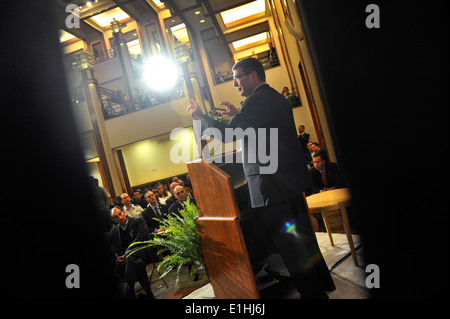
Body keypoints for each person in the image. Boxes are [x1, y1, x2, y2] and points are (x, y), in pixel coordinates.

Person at [187, 57, 334, 298]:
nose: (235, 84)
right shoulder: (276, 97)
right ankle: (324, 285)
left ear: (253, 75)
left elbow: (226, 135)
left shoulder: (254, 102)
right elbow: (261, 134)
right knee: (306, 239)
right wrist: (238, 113)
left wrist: (202, 117)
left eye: (238, 77)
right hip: (290, 184)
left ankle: (315, 297)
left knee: (291, 249)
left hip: (271, 189)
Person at [109, 207, 155, 299]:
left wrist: (126, 254)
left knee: (131, 256)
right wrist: (118, 257)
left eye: (120, 214)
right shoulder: (114, 231)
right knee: (138, 263)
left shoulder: (138, 221)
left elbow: (142, 238)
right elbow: (112, 246)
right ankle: (149, 293)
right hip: (131, 259)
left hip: (143, 251)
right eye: (116, 217)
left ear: (124, 212)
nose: (120, 217)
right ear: (113, 220)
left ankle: (129, 289)